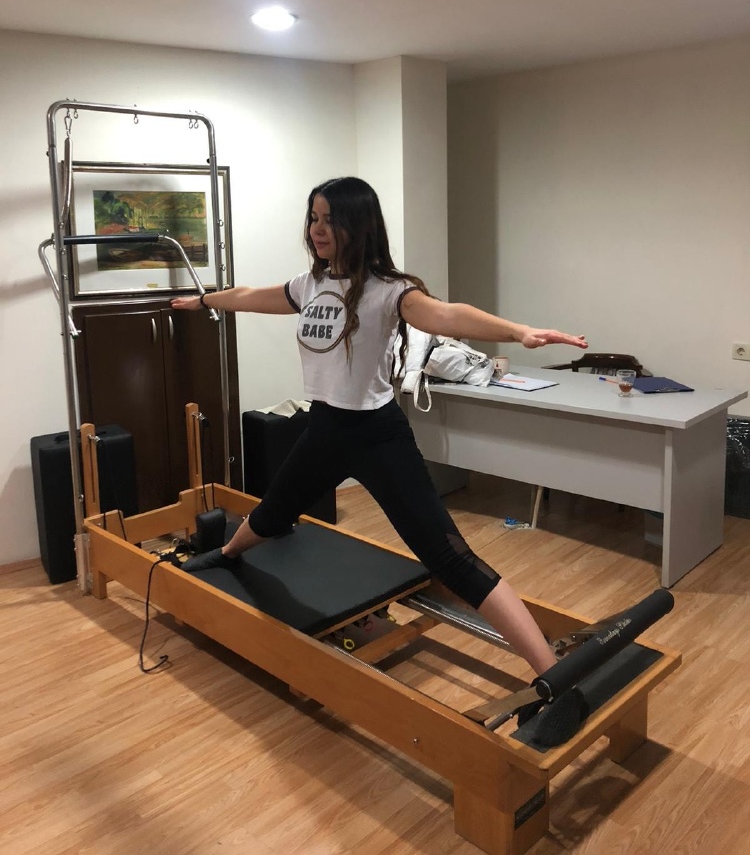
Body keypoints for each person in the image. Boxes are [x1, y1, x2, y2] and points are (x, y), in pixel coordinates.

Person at [172, 176, 589, 733]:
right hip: (324, 429)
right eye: (313, 218)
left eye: (329, 219)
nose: (317, 230)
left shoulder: (390, 290)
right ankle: (226, 554)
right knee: (274, 511)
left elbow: (448, 315)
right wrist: (204, 300)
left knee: (450, 558)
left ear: (358, 224)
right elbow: (249, 297)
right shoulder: (308, 284)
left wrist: (519, 332)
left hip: (377, 434)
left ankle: (553, 675)